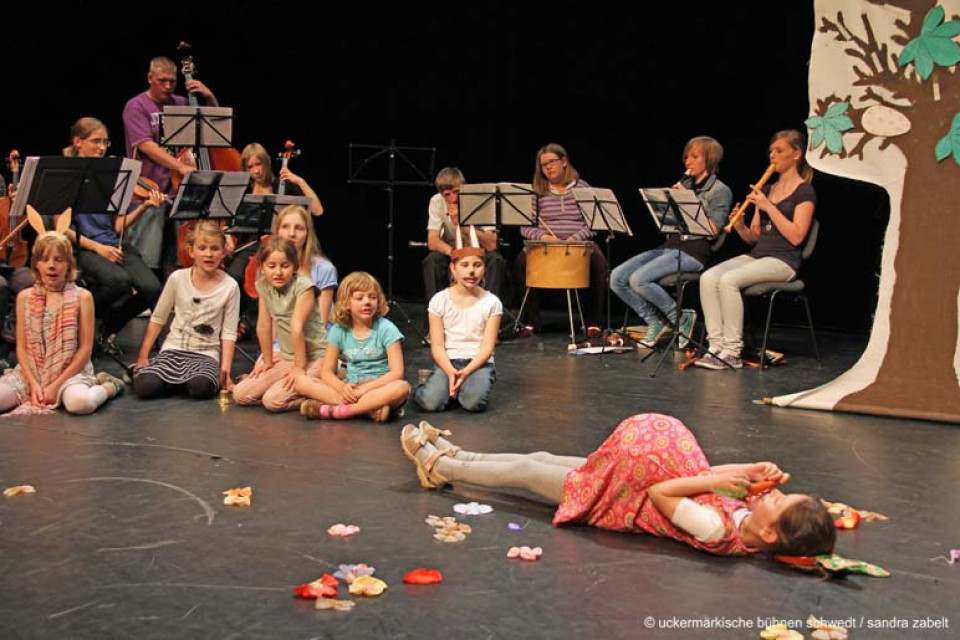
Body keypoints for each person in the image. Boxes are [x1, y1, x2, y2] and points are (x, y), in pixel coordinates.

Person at [400, 412, 836, 559]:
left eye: (779, 502)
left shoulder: (717, 532)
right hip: (625, 479)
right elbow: (700, 469)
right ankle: (460, 457)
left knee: (529, 474)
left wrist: (720, 480)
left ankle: (444, 468)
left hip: (616, 500)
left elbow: (663, 494)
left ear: (770, 534)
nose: (774, 494)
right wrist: (749, 469)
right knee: (541, 460)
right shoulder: (740, 513)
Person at [695, 130, 816, 370]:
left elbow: (797, 236)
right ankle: (715, 346)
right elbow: (754, 238)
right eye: (771, 151)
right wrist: (739, 226)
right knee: (708, 277)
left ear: (796, 154)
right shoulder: (768, 189)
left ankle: (732, 351)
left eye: (779, 151)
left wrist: (768, 207)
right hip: (758, 255)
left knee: (729, 280)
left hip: (784, 261)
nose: (773, 155)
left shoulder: (805, 191)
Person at [611, 136, 733, 349]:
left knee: (639, 279)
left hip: (694, 251)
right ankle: (655, 321)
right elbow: (668, 223)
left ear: (710, 160)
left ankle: (679, 317)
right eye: (687, 156)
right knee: (617, 278)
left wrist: (688, 202)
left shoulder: (719, 190)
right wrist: (667, 203)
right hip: (670, 247)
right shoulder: (686, 184)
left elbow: (714, 231)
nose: (688, 162)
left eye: (695, 157)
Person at [0, 217, 125, 416]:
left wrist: (55, 385)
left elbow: (85, 349)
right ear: (36, 265)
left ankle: (109, 387)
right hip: (31, 372)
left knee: (80, 404)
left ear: (68, 265)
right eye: (45, 260)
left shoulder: (82, 297)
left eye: (59, 260)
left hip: (70, 373)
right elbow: (21, 347)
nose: (51, 266)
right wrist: (33, 382)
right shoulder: (25, 297)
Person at [62, 117, 164, 347]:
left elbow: (117, 227)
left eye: (105, 142)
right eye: (96, 141)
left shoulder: (112, 175)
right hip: (83, 246)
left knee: (153, 288)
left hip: (112, 244)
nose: (101, 147)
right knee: (118, 282)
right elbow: (62, 228)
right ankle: (84, 323)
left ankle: (107, 326)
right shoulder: (66, 175)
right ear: (78, 142)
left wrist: (145, 207)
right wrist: (98, 248)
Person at [122, 55, 219, 272]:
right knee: (148, 258)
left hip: (179, 192)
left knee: (175, 259)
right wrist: (180, 167)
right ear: (150, 78)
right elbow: (145, 144)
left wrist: (209, 96)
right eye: (162, 81)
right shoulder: (136, 106)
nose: (167, 86)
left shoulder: (181, 103)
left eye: (172, 82)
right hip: (149, 191)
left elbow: (212, 126)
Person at [132, 221, 239, 400]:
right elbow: (158, 317)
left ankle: (180, 382)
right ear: (191, 251)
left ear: (223, 252)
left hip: (206, 355)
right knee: (144, 386)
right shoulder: (177, 278)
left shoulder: (230, 286)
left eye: (214, 248)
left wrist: (225, 372)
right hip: (173, 350)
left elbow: (228, 333)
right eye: (202, 248)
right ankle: (172, 380)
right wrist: (143, 356)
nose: (209, 254)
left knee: (201, 388)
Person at [226, 143, 327, 331]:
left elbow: (317, 210)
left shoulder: (281, 185)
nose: (256, 170)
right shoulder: (243, 190)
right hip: (252, 244)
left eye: (259, 165)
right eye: (250, 167)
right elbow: (230, 223)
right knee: (234, 276)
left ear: (267, 163)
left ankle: (268, 321)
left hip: (283, 246)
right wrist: (228, 238)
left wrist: (299, 181)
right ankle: (242, 320)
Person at [514, 143, 608, 335]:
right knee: (519, 264)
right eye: (543, 165)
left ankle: (592, 321)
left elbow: (593, 223)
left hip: (578, 242)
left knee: (599, 263)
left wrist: (576, 238)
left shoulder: (582, 188)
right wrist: (543, 236)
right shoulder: (537, 191)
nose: (548, 167)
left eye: (552, 162)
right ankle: (532, 320)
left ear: (564, 162)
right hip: (545, 244)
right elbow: (525, 225)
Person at [299, 271, 410, 422]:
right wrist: (341, 388)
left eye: (372, 297)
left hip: (377, 387)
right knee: (301, 382)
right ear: (346, 303)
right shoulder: (338, 330)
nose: (367, 302)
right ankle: (370, 409)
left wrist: (363, 390)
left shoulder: (386, 328)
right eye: (359, 298)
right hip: (350, 385)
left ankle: (346, 410)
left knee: (401, 388)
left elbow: (397, 373)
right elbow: (326, 371)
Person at [232, 237, 327, 412]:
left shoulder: (304, 287)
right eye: (271, 266)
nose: (278, 272)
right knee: (240, 394)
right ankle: (303, 388)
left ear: (295, 267)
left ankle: (322, 394)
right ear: (262, 267)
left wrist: (299, 368)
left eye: (285, 266)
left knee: (272, 401)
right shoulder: (264, 286)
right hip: (287, 357)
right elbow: (263, 325)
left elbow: (297, 327)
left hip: (314, 356)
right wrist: (267, 360)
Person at [414, 227, 502, 413]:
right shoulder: (440, 300)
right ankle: (435, 385)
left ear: (484, 268)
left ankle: (460, 387)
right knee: (430, 403)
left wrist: (467, 371)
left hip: (478, 363)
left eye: (477, 265)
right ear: (453, 268)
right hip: (449, 361)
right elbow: (437, 347)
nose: (472, 271)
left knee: (473, 404)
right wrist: (451, 371)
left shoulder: (491, 302)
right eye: (465, 265)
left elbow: (487, 348)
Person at [422, 167, 507, 335]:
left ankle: (489, 327)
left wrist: (462, 224)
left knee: (496, 261)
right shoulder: (436, 202)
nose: (453, 199)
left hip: (480, 250)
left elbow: (491, 243)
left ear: (464, 189)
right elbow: (433, 241)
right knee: (432, 261)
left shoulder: (481, 200)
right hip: (454, 250)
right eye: (447, 195)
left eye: (457, 192)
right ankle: (435, 326)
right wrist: (453, 253)